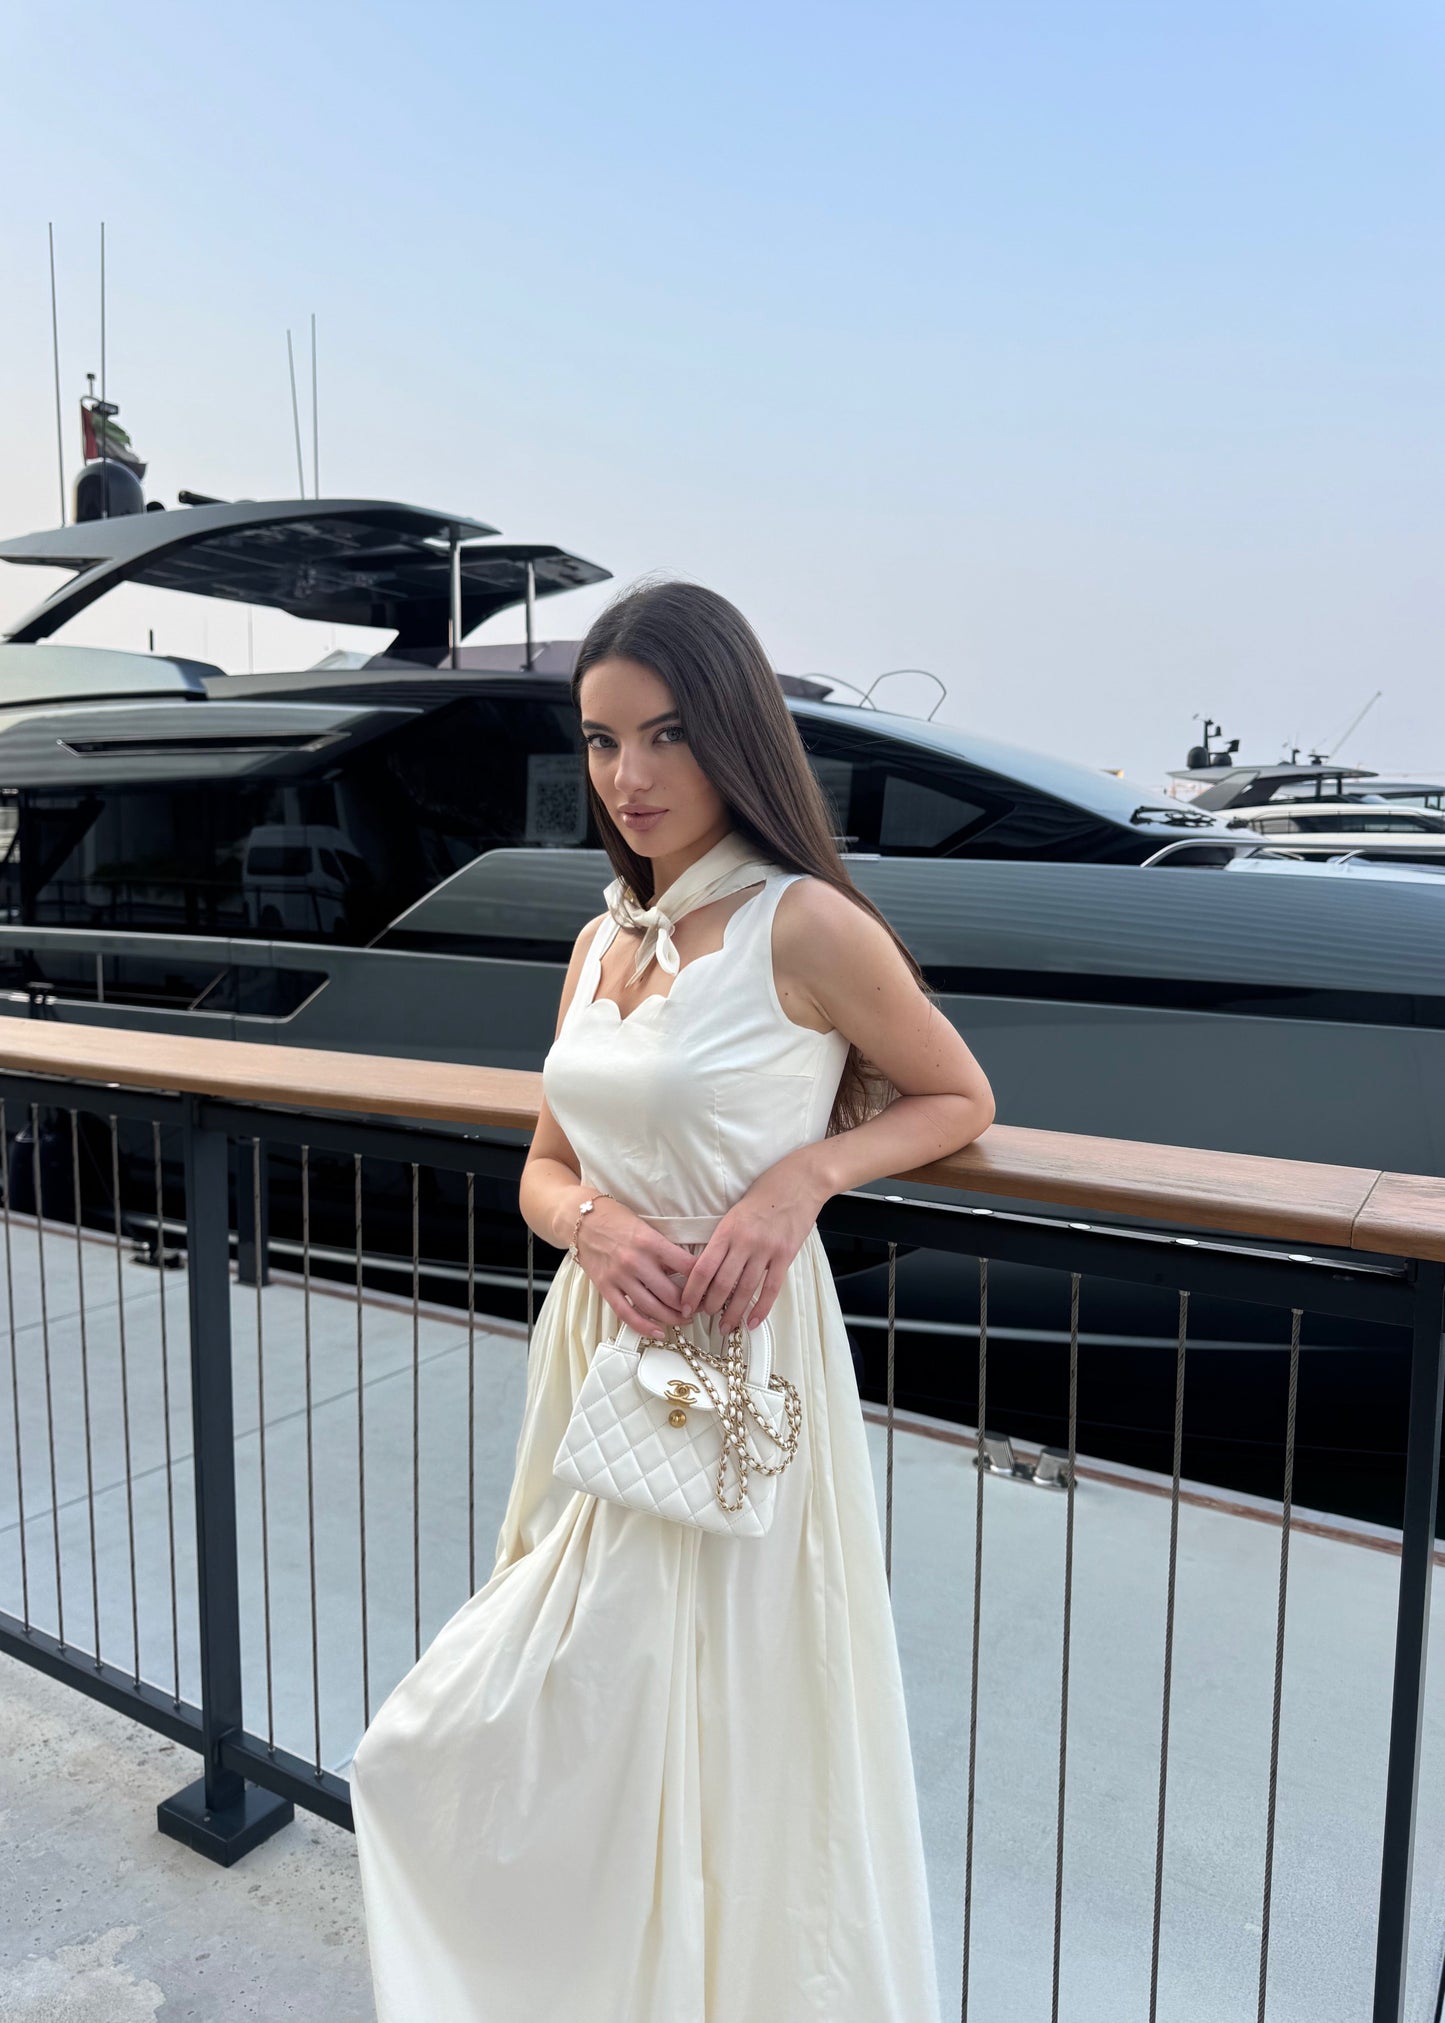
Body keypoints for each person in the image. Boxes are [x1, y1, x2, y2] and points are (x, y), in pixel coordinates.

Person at [348, 578, 996, 2022]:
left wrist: (802, 1180)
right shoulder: (599, 942)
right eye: (598, 742)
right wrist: (586, 1224)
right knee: (548, 1711)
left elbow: (958, 1094)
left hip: (737, 1355)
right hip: (601, 1344)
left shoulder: (804, 925)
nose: (627, 779)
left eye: (664, 737)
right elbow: (542, 1164)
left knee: (722, 1710)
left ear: (737, 739)